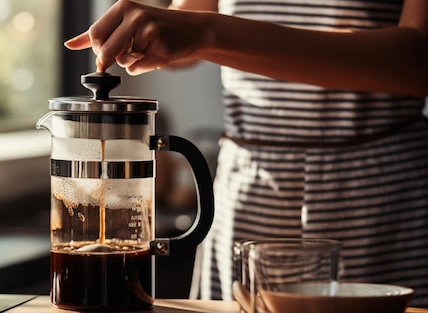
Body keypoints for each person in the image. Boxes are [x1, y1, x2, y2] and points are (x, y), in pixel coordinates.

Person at [64, 0, 428, 307]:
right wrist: (154, 28)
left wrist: (206, 32)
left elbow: (418, 59)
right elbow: (186, 22)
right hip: (248, 193)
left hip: (376, 197)